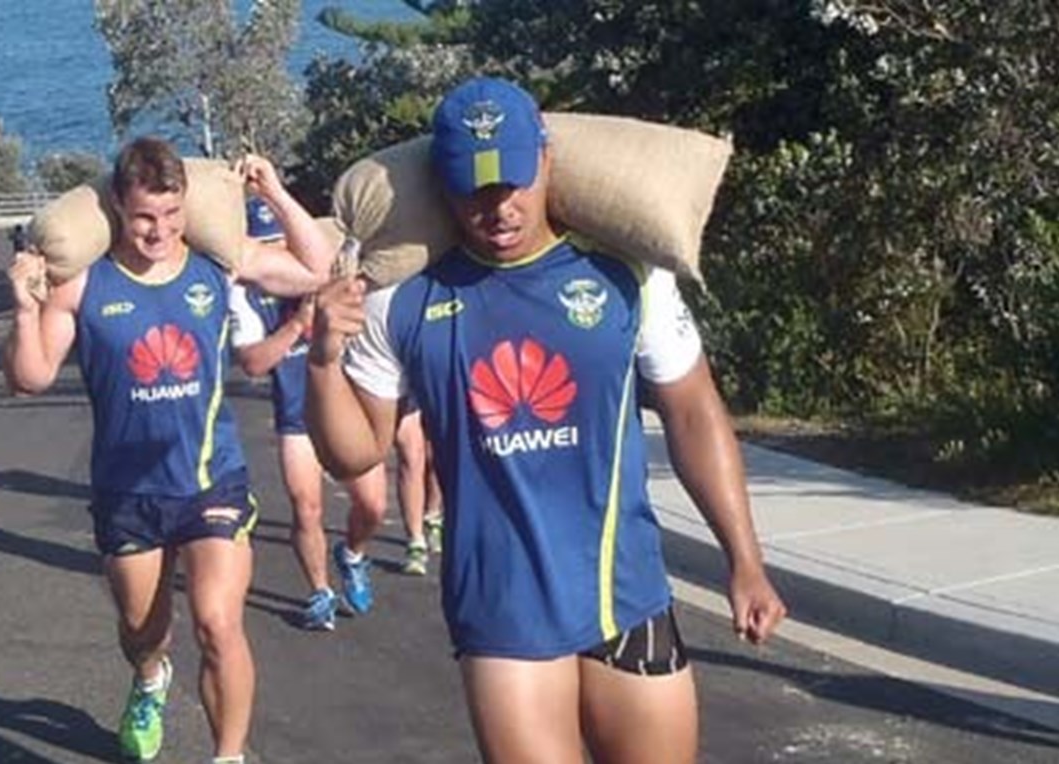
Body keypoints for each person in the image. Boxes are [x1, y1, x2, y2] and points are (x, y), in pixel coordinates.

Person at [305, 77, 788, 764]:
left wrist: (745, 560)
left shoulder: (628, 274)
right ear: (442, 184)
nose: (498, 206)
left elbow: (693, 411)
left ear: (546, 161)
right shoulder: (401, 302)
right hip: (501, 607)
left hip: (625, 592)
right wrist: (323, 359)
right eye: (474, 188)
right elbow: (354, 455)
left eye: (513, 180)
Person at [5, 138, 335, 764]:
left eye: (172, 214)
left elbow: (316, 268)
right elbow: (31, 377)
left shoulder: (217, 265)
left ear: (187, 205)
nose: (159, 231)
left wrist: (271, 190)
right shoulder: (85, 285)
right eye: (144, 218)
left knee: (217, 623)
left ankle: (229, 755)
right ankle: (151, 677)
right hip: (128, 493)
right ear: (117, 208)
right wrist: (25, 311)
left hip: (212, 480)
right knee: (142, 632)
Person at [226, 197, 390, 631]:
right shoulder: (245, 295)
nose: (278, 255)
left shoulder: (328, 274)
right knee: (306, 507)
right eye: (266, 247)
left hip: (347, 407)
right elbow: (254, 363)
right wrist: (298, 325)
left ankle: (352, 553)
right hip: (296, 412)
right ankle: (320, 592)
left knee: (373, 506)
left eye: (282, 243)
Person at [392, 404, 442, 576]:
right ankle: (415, 542)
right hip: (407, 393)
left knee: (435, 454)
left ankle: (433, 516)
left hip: (436, 389)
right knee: (411, 457)